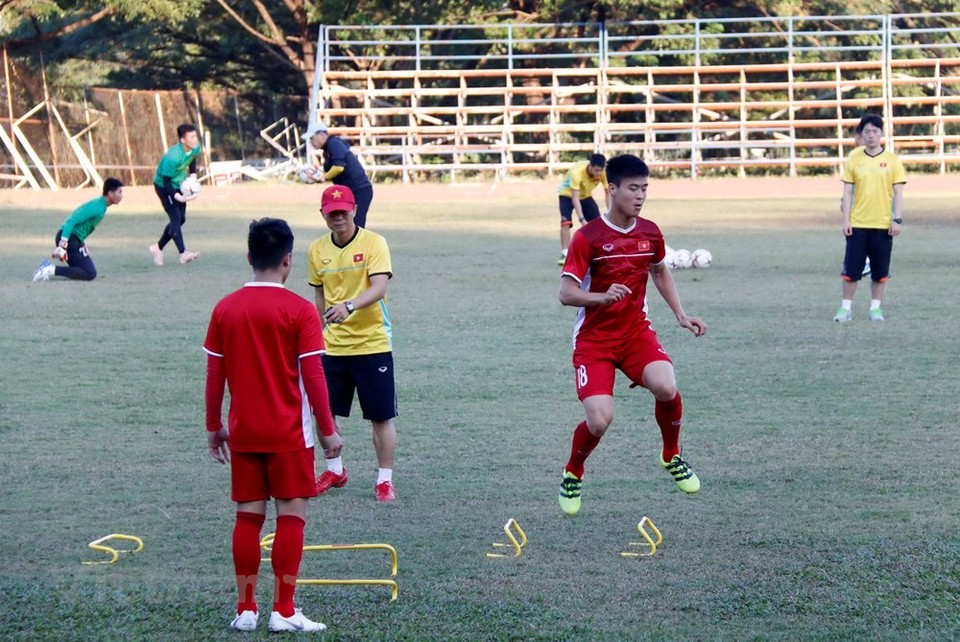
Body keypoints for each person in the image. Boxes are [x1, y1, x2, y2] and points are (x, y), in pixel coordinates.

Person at [203, 217, 342, 633]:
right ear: (288, 261)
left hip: (243, 433)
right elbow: (314, 376)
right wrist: (328, 429)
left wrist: (214, 426)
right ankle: (283, 611)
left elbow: (215, 375)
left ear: (249, 257)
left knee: (248, 519)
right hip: (289, 436)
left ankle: (246, 610)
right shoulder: (300, 310)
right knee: (290, 518)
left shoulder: (225, 308)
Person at [557, 154, 706, 517]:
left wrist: (681, 315)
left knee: (667, 385)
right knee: (599, 419)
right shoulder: (587, 237)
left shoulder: (650, 232)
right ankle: (573, 471)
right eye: (633, 189)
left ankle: (671, 454)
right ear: (612, 190)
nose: (640, 196)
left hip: (635, 333)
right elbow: (566, 293)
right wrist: (600, 297)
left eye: (645, 189)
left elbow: (659, 272)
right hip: (595, 341)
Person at [307, 184, 398, 502]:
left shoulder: (374, 243)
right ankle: (335, 469)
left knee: (381, 416)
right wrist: (317, 335)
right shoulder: (317, 250)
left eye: (343, 211)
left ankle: (384, 480)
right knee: (324, 413)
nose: (339, 218)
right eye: (332, 213)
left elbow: (379, 287)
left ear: (355, 210)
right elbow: (319, 296)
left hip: (372, 343)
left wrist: (349, 306)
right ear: (323, 215)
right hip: (333, 348)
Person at [834, 113, 906, 323]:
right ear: (862, 135)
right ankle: (845, 308)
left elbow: (899, 192)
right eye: (867, 131)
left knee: (880, 271)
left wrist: (897, 219)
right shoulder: (854, 158)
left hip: (883, 223)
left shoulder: (892, 160)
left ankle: (875, 308)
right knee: (851, 270)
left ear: (882, 134)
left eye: (875, 131)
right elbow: (847, 192)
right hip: (858, 223)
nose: (871, 135)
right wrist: (846, 220)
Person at [32, 178, 124, 282]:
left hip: (74, 239)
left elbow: (84, 227)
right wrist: (64, 241)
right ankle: (48, 269)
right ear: (110, 194)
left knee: (89, 272)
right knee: (89, 272)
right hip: (69, 238)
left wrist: (82, 242)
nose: (122, 195)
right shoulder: (97, 206)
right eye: (119, 192)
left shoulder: (102, 206)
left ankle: (49, 268)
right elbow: (72, 220)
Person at [148, 123, 202, 266]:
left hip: (179, 184)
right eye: (191, 137)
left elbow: (192, 159)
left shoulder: (196, 147)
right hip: (164, 187)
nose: (195, 139)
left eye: (195, 135)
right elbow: (165, 182)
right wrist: (177, 196)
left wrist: (193, 176)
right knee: (175, 218)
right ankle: (183, 253)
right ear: (183, 140)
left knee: (181, 219)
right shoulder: (172, 157)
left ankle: (157, 248)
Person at [306, 124, 375, 228]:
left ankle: (358, 244)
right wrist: (317, 175)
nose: (311, 142)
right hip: (349, 191)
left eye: (312, 138)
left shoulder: (334, 144)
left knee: (355, 226)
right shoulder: (328, 149)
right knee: (345, 226)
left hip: (359, 190)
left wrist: (324, 177)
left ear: (321, 134)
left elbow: (338, 167)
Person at [557, 153, 610, 265]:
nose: (599, 174)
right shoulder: (577, 172)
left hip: (585, 196)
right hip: (567, 195)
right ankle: (565, 254)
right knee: (565, 222)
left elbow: (608, 193)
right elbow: (575, 198)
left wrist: (611, 212)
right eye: (596, 170)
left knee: (597, 224)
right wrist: (582, 220)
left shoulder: (603, 173)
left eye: (601, 170)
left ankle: (597, 252)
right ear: (590, 166)